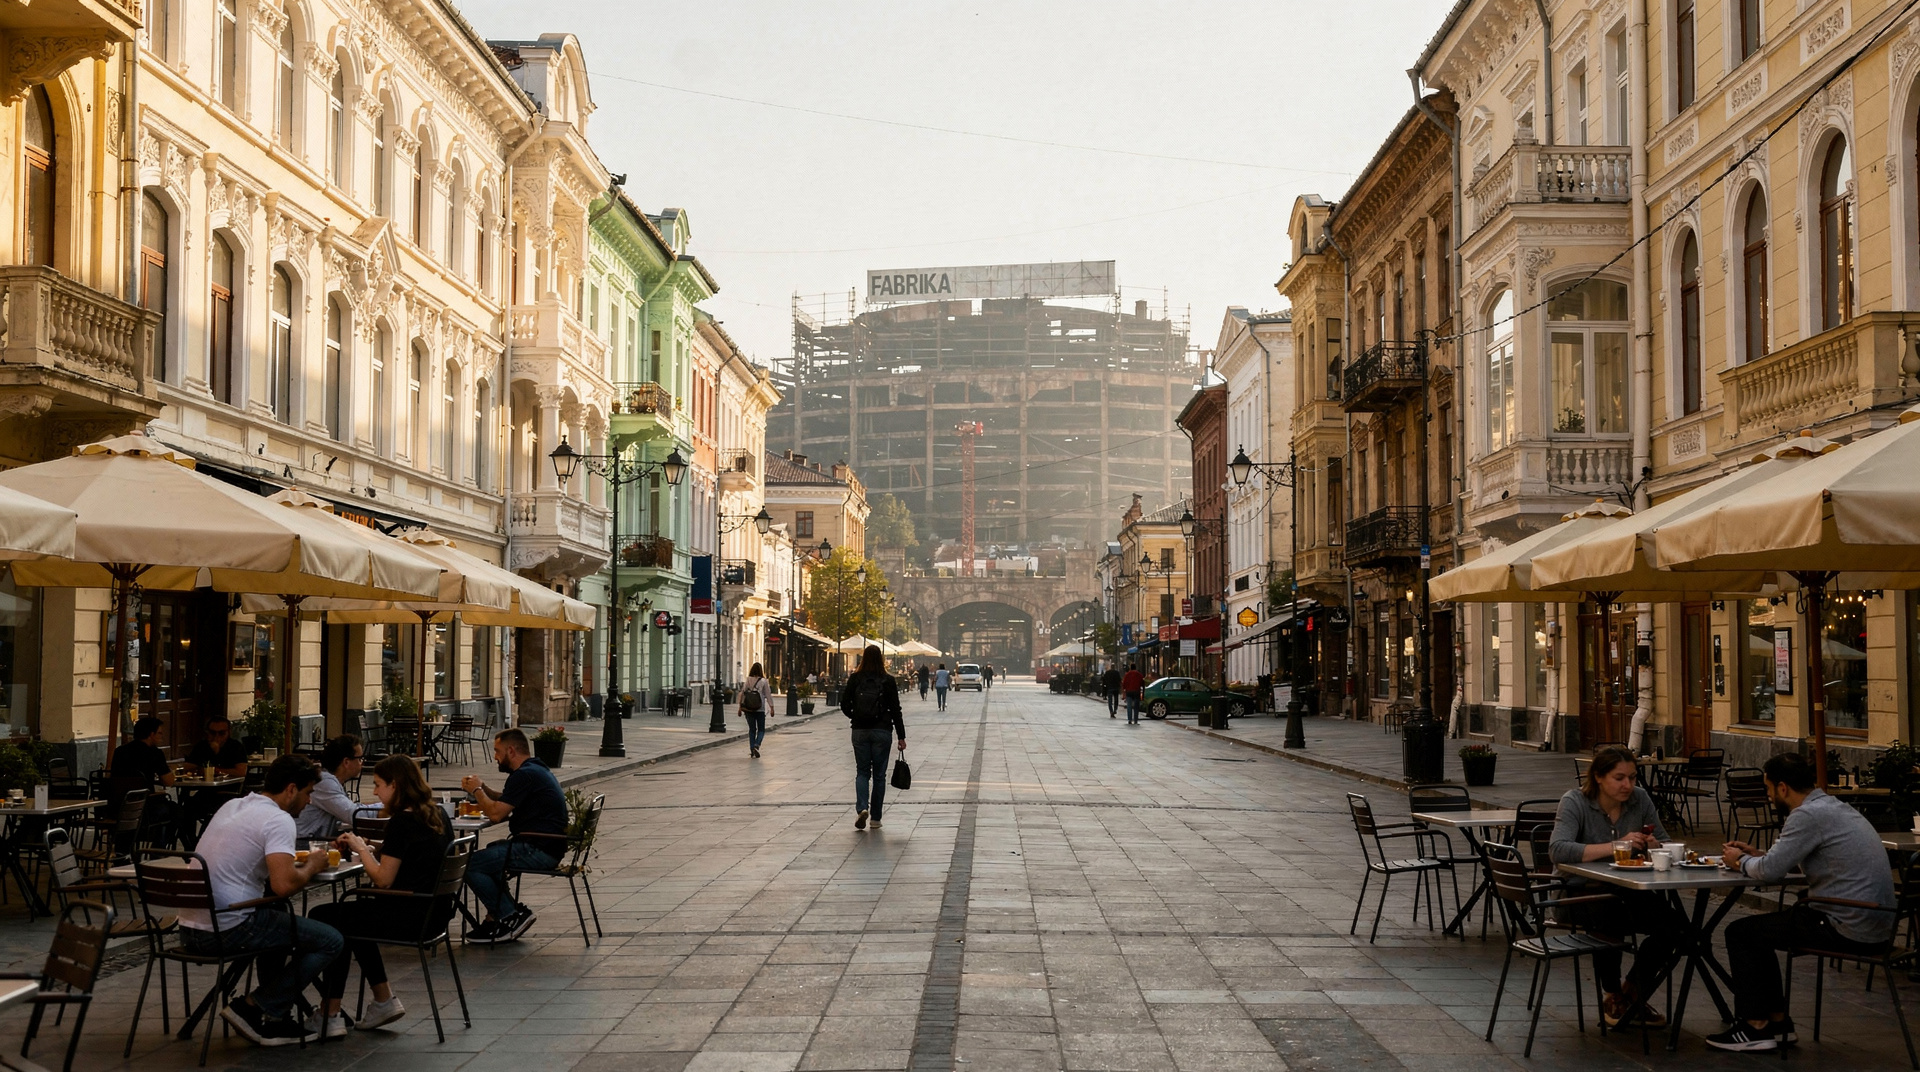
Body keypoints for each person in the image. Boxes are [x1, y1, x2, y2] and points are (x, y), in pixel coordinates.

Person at [1706, 752, 1899, 1053]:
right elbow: (1787, 861)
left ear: (1783, 788)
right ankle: (1779, 1023)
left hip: (1847, 925)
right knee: (1760, 931)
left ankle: (1754, 1026)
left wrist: (1739, 860)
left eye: (1768, 789)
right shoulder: (1832, 806)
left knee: (1742, 933)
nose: (1769, 797)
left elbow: (1769, 873)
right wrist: (1756, 855)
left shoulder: (1806, 815)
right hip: (1875, 923)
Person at [182, 755, 342, 1047]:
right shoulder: (278, 819)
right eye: (308, 794)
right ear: (291, 789)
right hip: (229, 927)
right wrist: (313, 866)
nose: (308, 802)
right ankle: (255, 1006)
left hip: (192, 927)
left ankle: (275, 1018)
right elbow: (283, 885)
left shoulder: (233, 805)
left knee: (277, 913)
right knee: (331, 940)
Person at [307, 754, 453, 1038]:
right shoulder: (435, 813)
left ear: (395, 785)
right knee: (350, 918)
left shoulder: (402, 822)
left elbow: (384, 880)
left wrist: (362, 850)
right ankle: (380, 1000)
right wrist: (369, 844)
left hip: (408, 914)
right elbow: (406, 851)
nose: (374, 792)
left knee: (329, 918)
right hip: (434, 912)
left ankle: (331, 1013)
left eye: (377, 785)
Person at [1548, 746, 1687, 1029]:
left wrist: (1655, 846)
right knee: (1607, 912)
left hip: (1629, 892)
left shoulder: (1640, 800)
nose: (1628, 785)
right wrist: (1615, 845)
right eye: (1619, 778)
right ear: (1599, 777)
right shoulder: (1575, 801)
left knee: (1678, 929)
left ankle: (1630, 993)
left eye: (1633, 778)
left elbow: (1665, 840)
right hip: (1578, 893)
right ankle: (1613, 993)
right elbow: (1558, 850)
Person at [459, 728, 568, 944]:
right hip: (548, 845)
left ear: (511, 750)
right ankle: (501, 916)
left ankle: (508, 915)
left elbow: (496, 814)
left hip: (538, 849)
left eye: (498, 751)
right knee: (491, 852)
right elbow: (507, 799)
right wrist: (486, 790)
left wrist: (477, 792)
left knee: (469, 864)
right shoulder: (534, 768)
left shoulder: (524, 775)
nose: (495, 757)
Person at [845, 645, 905, 830]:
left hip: (860, 730)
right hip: (882, 731)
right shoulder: (888, 680)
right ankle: (876, 819)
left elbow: (844, 704)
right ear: (881, 659)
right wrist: (901, 736)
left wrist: (855, 717)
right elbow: (896, 709)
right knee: (879, 776)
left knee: (862, 772)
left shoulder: (855, 679)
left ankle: (862, 807)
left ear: (863, 658)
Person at [182, 716, 252, 843]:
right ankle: (190, 843)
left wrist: (217, 770)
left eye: (221, 733)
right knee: (185, 810)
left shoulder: (235, 747)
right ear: (207, 732)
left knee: (214, 812)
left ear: (228, 732)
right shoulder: (202, 746)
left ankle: (202, 842)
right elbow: (188, 766)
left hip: (230, 793)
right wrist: (196, 768)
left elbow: (241, 772)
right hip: (206, 792)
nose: (217, 736)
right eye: (213, 732)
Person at [296, 735, 363, 840]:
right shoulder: (325, 782)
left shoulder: (332, 781)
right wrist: (384, 808)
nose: (361, 763)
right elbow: (353, 814)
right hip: (303, 842)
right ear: (346, 762)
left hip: (315, 839)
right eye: (359, 759)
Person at [740, 662, 773, 759]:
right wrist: (772, 707)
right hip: (760, 708)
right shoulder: (763, 681)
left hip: (748, 708)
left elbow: (743, 693)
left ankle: (752, 749)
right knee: (761, 729)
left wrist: (740, 707)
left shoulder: (748, 680)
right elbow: (768, 695)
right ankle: (757, 745)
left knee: (752, 729)